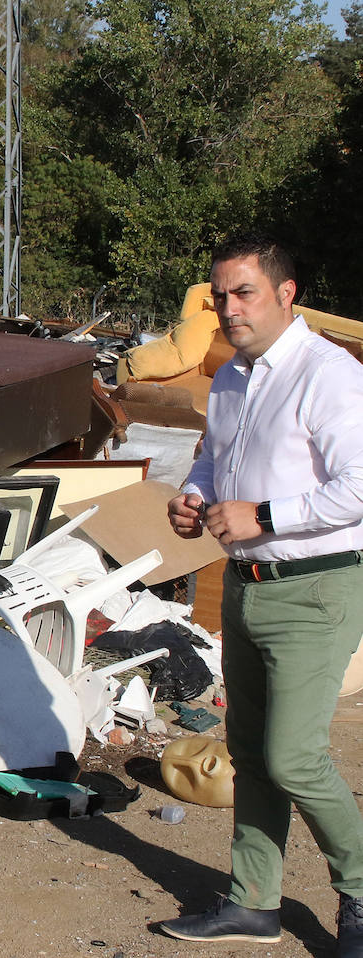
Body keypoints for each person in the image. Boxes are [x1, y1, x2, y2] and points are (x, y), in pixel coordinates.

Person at [161, 235, 363, 955]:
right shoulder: (229, 379)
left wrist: (264, 516)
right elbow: (216, 460)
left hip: (315, 587)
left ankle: (362, 891)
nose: (227, 307)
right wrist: (195, 497)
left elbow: (358, 486)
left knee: (294, 757)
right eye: (219, 295)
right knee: (249, 750)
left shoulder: (329, 375)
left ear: (286, 293)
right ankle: (253, 902)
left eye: (244, 292)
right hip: (247, 585)